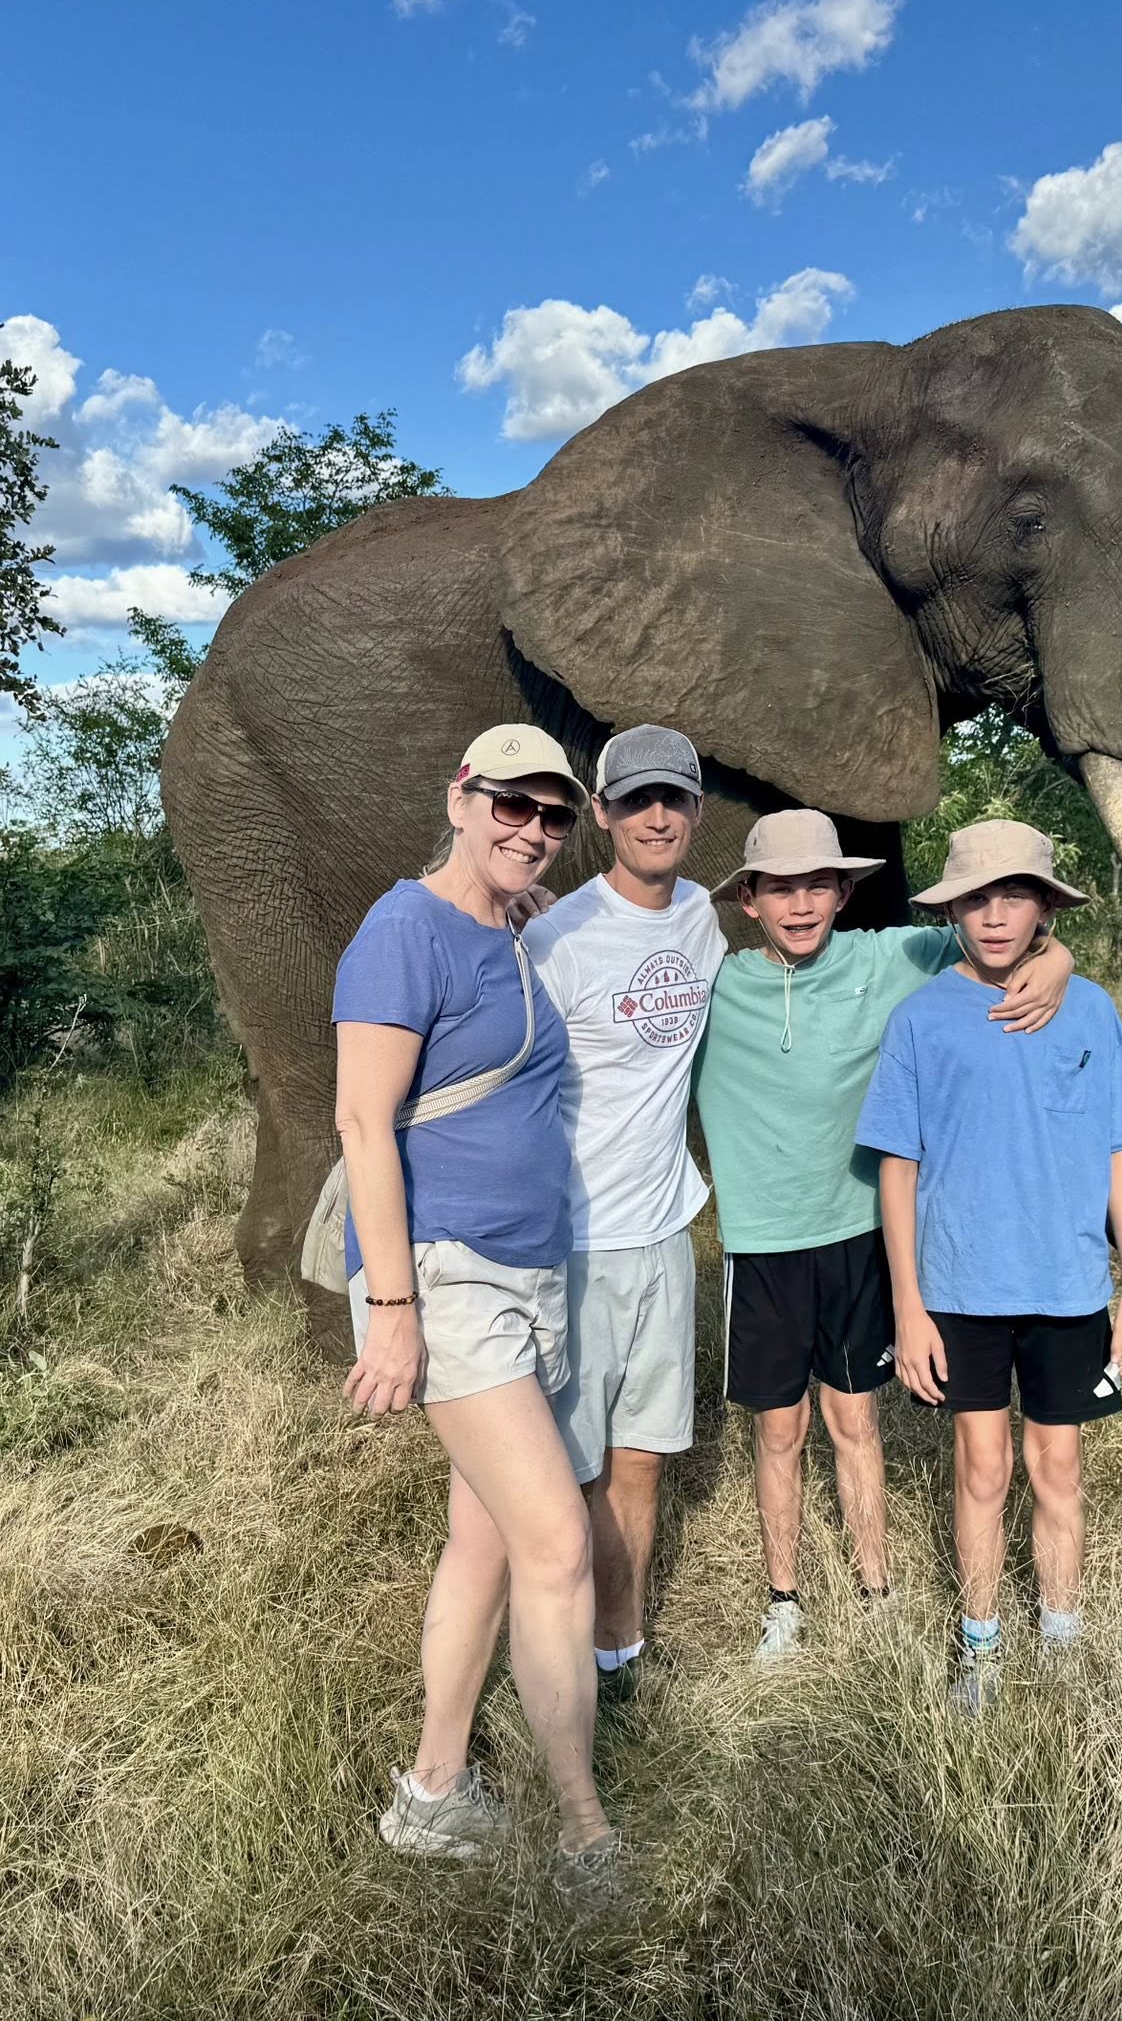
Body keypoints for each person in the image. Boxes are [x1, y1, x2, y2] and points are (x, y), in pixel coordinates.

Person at [333, 723, 617, 1884]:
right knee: (558, 1543)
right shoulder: (405, 927)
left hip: (524, 1268)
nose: (531, 831)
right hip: (448, 1274)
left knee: (487, 1541)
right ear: (459, 796)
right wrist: (393, 1302)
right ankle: (584, 1826)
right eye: (509, 803)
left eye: (552, 816)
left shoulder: (507, 932)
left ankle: (433, 1790)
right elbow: (362, 1121)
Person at [693, 810, 1074, 1661]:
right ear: (747, 900)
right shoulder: (714, 986)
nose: (801, 905)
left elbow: (1003, 940)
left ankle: (875, 1589)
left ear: (845, 892)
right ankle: (783, 1601)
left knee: (854, 1420)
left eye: (818, 885)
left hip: (860, 1232)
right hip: (761, 1242)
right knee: (778, 1432)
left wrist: (1058, 960)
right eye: (780, 887)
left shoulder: (889, 956)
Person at [855, 818, 1122, 1712]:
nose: (996, 916)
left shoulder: (1094, 1009)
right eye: (977, 898)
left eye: (1016, 895)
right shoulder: (919, 1020)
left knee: (1057, 1469)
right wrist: (908, 1309)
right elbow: (898, 1169)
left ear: (1045, 908)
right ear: (951, 907)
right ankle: (980, 1649)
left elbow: (1118, 1150)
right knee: (980, 1469)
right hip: (961, 1287)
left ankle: (1063, 1644)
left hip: (1070, 1285)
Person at [521, 725, 727, 1701]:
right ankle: (552, 1660)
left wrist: (1053, 959)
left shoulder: (707, 920)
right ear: (600, 813)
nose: (657, 815)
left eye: (674, 798)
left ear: (696, 812)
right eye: (636, 798)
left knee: (639, 1467)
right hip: (573, 1247)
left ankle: (619, 1652)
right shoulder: (553, 937)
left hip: (664, 1238)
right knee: (565, 1480)